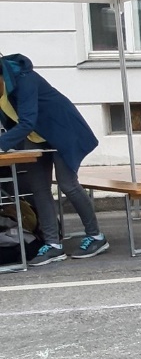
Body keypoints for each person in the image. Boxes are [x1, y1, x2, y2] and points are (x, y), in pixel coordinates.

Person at [0, 53, 106, 264]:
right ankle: (53, 244)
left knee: (68, 184)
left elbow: (27, 121)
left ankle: (96, 236)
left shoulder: (23, 78)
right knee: (38, 187)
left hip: (61, 129)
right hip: (35, 135)